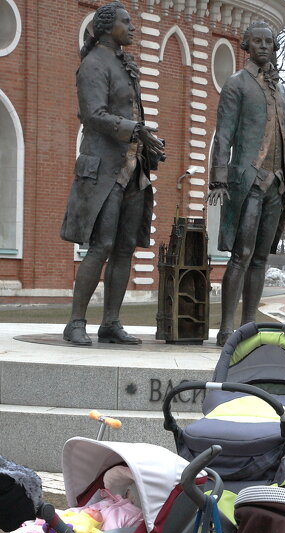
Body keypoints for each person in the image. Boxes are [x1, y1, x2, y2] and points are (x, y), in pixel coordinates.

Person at [60, 2, 165, 346]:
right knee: (100, 246)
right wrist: (136, 128)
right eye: (126, 22)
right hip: (104, 170)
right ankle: (76, 322)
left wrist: (145, 138)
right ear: (107, 27)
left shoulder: (124, 64)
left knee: (124, 249)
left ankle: (111, 322)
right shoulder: (93, 64)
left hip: (133, 170)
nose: (132, 27)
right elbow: (93, 115)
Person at [208, 21, 285, 347]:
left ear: (274, 47)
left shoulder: (280, 89)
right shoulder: (237, 84)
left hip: (276, 184)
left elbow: (279, 136)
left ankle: (249, 324)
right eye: (256, 41)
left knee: (261, 258)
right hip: (248, 180)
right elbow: (224, 134)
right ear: (246, 45)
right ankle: (226, 327)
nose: (263, 46)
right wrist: (218, 177)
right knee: (240, 255)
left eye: (268, 42)